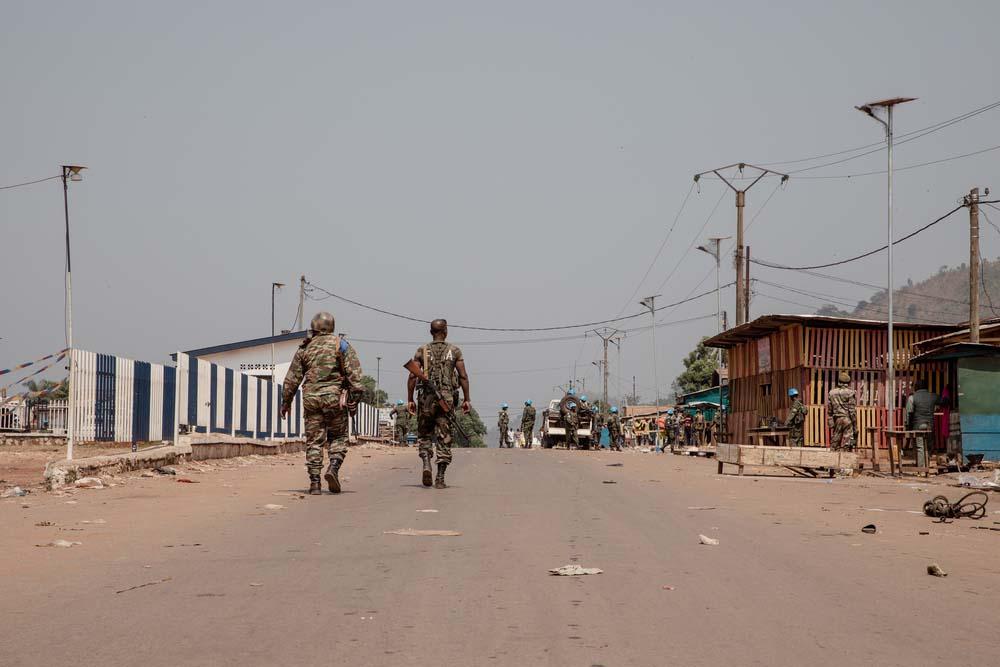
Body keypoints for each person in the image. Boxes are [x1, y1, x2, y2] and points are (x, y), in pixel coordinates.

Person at [281, 311, 365, 495]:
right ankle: (333, 468)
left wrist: (285, 403)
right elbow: (356, 378)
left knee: (314, 441)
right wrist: (354, 400)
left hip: (311, 399)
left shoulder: (305, 348)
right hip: (334, 399)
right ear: (332, 327)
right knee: (339, 437)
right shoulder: (341, 345)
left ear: (314, 327)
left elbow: (292, 380)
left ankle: (315, 483)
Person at [407, 319, 471, 489]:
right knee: (444, 437)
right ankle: (440, 478)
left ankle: (427, 462)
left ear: (430, 332)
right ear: (446, 331)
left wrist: (409, 400)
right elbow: (463, 376)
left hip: (425, 399)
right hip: (446, 400)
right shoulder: (454, 351)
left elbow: (413, 376)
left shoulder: (422, 350)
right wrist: (467, 399)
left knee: (425, 434)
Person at [827, 371, 857, 451]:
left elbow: (830, 409)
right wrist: (854, 425)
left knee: (836, 438)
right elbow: (852, 411)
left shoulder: (832, 392)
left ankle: (833, 457)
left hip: (837, 419)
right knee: (847, 441)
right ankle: (846, 458)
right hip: (847, 419)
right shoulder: (850, 393)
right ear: (848, 382)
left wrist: (830, 420)